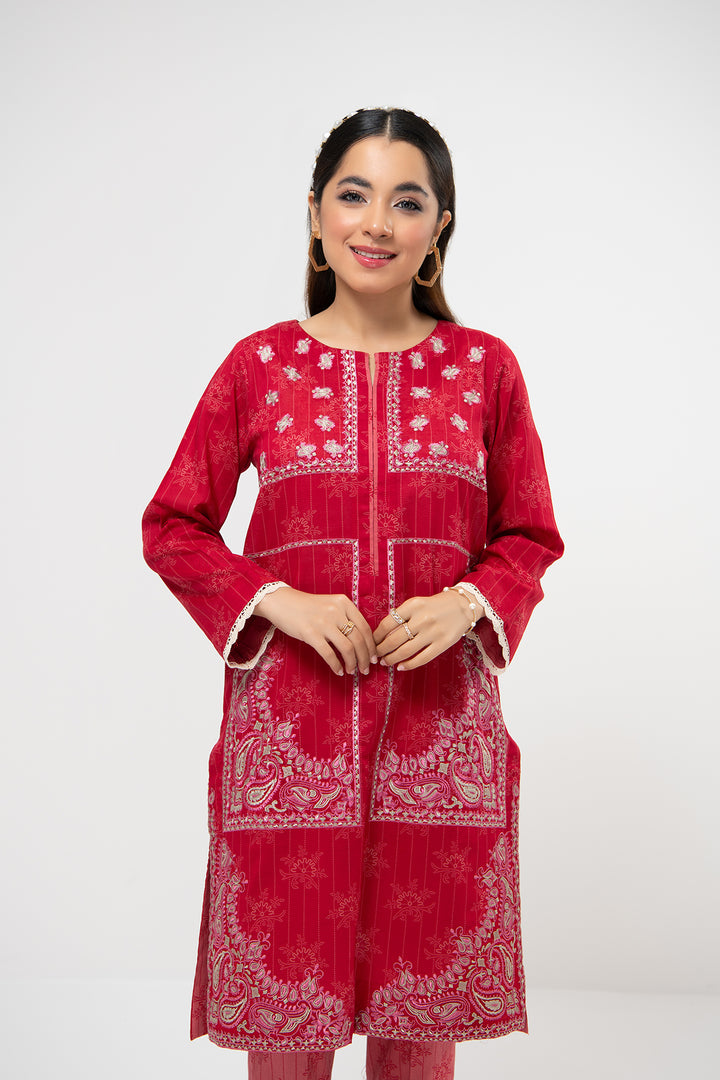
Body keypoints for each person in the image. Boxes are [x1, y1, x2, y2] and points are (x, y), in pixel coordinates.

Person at [142, 107, 563, 1080]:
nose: (376, 221)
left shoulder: (484, 370)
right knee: (286, 1032)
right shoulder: (258, 368)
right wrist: (276, 599)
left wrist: (466, 603)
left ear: (439, 227)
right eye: (354, 194)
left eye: (406, 201)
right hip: (290, 742)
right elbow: (173, 525)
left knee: (418, 1029)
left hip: (438, 733)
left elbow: (530, 535)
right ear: (316, 213)